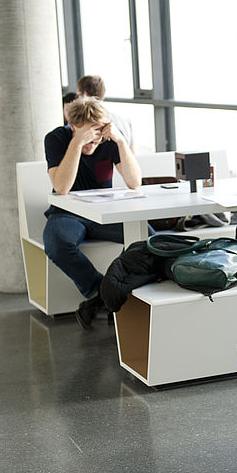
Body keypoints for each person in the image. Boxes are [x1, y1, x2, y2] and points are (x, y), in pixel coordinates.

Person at [43, 96, 142, 330]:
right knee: (56, 243)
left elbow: (135, 182)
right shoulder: (56, 138)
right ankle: (104, 293)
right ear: (73, 126)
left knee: (143, 237)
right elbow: (62, 187)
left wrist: (119, 140)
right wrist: (77, 143)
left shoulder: (108, 141)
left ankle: (103, 299)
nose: (93, 141)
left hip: (104, 213)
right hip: (67, 213)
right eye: (87, 134)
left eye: (97, 133)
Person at [76, 75, 135, 152]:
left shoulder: (87, 123)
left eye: (78, 95)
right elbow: (133, 154)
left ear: (85, 94)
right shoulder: (124, 120)